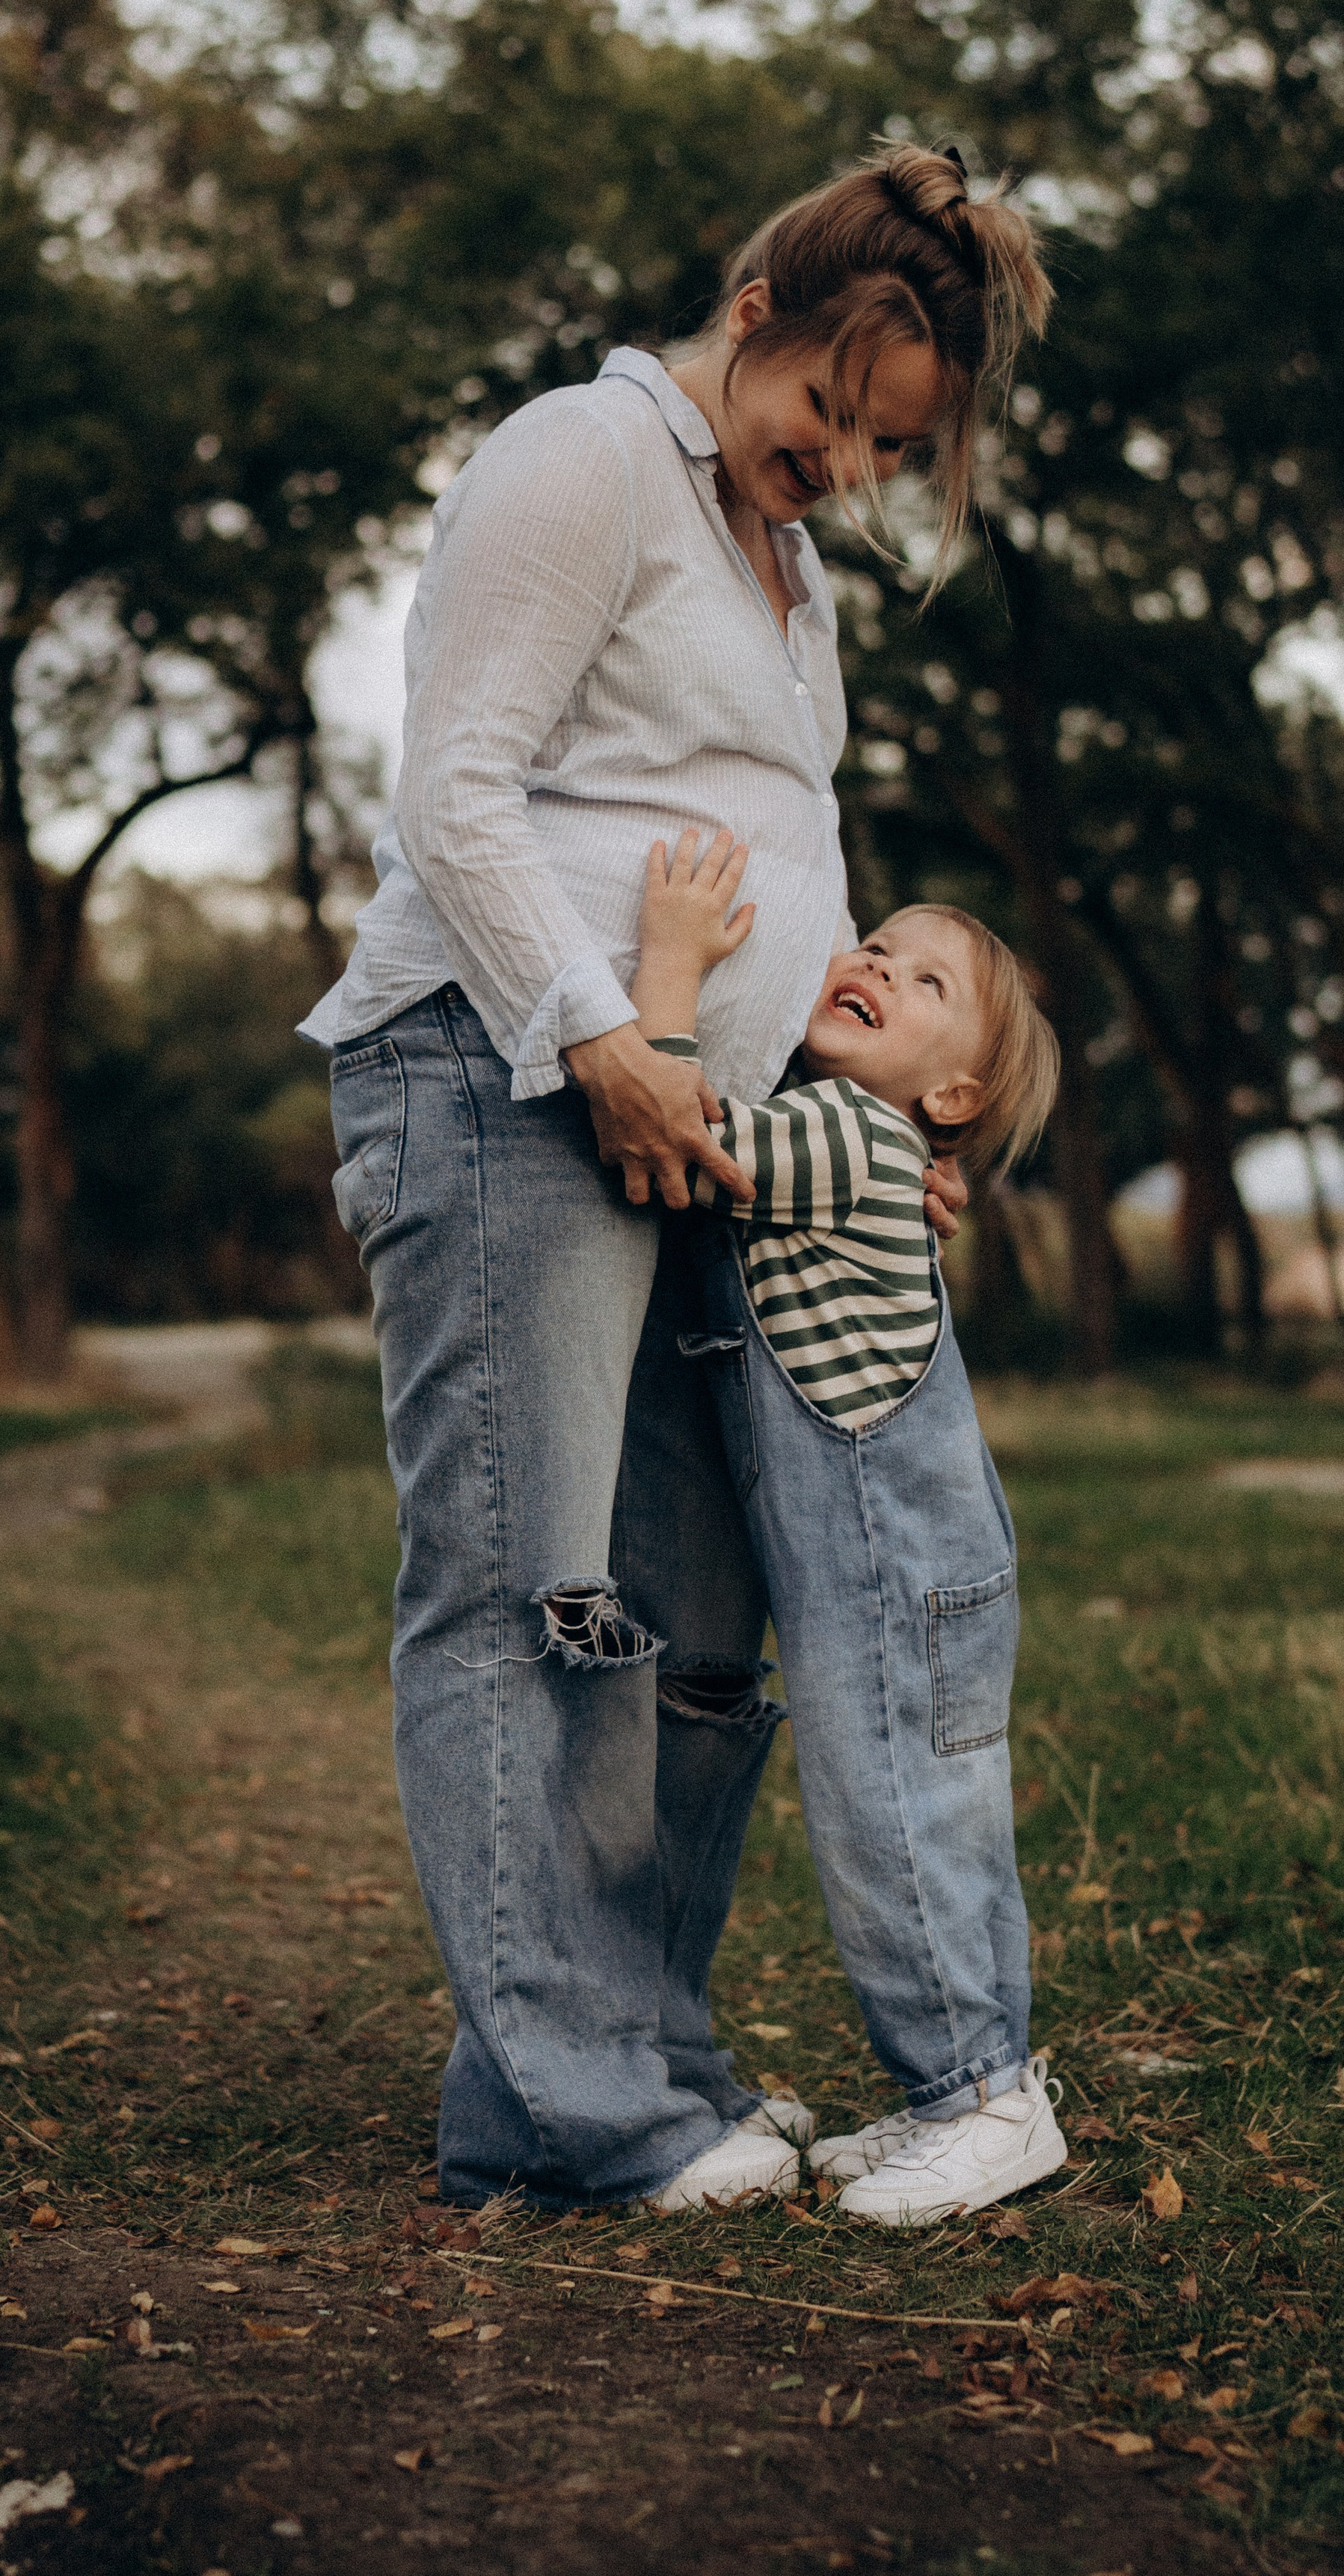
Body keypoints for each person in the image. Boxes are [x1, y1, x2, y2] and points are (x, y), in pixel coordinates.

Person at [301, 144, 1051, 2212]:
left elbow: (765, 852)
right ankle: (587, 2108)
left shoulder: (780, 566)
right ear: (752, 316)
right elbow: (454, 789)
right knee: (528, 1592)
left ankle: (618, 2066)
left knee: (693, 1623)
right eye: (832, 411)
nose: (845, 467)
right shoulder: (588, 458)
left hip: (691, 1144)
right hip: (504, 1077)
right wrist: (602, 1037)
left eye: (887, 448)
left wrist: (867, 1135)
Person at [630, 829, 1067, 2224]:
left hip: (894, 1569)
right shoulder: (861, 1136)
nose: (875, 962)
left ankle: (984, 2099)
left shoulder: (848, 1138)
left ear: (952, 1096)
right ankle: (963, 2093)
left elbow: (673, 1129)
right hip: (904, 1570)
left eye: (926, 980)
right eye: (875, 943)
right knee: (920, 1819)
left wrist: (669, 971)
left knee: (901, 1825)